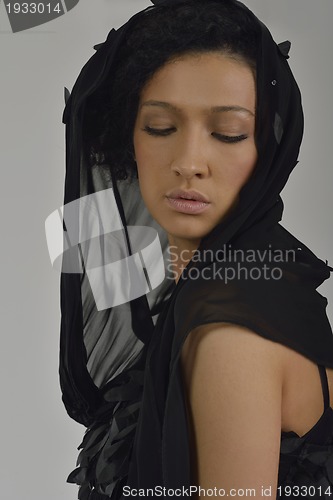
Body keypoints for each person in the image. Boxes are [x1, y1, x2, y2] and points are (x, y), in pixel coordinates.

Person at [59, 0, 333, 498]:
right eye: (160, 127)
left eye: (227, 133)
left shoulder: (229, 335)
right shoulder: (230, 285)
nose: (189, 162)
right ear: (128, 140)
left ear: (268, 149)